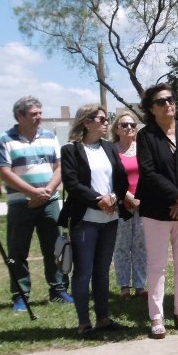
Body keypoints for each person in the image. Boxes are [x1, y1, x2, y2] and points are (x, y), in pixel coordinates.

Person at [137, 84, 178, 336]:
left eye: (171, 99)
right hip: (156, 209)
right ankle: (156, 317)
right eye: (161, 101)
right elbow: (148, 172)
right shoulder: (146, 136)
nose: (168, 104)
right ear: (151, 109)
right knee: (157, 265)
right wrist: (175, 197)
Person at [0, 96, 72, 310]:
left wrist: (47, 191)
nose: (39, 117)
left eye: (40, 112)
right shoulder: (4, 139)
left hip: (49, 201)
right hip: (20, 204)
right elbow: (5, 173)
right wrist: (32, 192)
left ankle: (59, 290)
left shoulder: (49, 137)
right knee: (17, 251)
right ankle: (21, 295)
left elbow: (60, 167)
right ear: (19, 116)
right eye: (34, 114)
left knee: (55, 248)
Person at [60, 105, 131, 339]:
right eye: (101, 119)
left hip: (110, 219)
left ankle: (103, 318)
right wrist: (99, 200)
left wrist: (114, 197)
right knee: (83, 271)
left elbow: (121, 178)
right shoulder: (71, 150)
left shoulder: (109, 148)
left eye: (106, 119)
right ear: (87, 123)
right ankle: (84, 323)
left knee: (102, 271)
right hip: (85, 220)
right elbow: (72, 183)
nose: (106, 123)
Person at [111, 109, 146, 299]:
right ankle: (124, 286)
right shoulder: (111, 150)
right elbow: (110, 179)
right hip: (121, 205)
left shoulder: (143, 149)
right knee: (122, 246)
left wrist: (141, 199)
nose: (129, 128)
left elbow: (149, 175)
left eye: (133, 124)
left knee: (141, 246)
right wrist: (126, 197)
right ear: (117, 129)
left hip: (143, 204)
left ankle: (140, 285)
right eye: (124, 125)